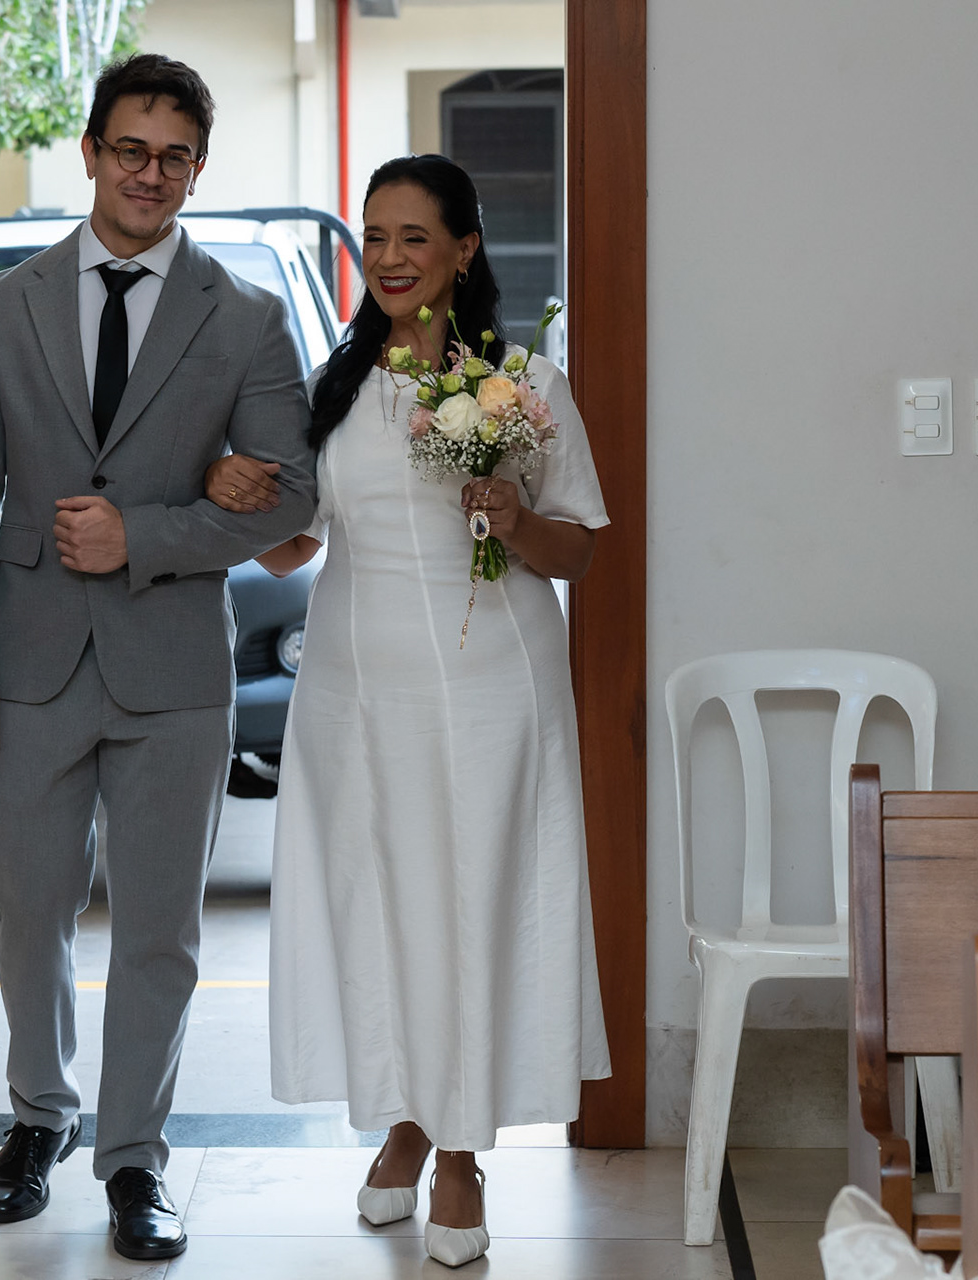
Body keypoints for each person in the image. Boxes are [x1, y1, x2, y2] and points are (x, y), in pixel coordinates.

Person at [0, 54, 317, 1262]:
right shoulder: (3, 307)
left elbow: (293, 499)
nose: (151, 173)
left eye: (175, 156)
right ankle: (38, 1115)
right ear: (92, 152)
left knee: (160, 928)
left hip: (173, 669)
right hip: (28, 659)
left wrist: (142, 534)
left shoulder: (244, 315)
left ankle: (136, 1157)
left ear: (199, 169)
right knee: (28, 905)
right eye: (131, 149)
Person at [205, 154, 612, 1268]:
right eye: (375, 236)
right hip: (353, 686)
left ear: (464, 249)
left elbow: (578, 548)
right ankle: (403, 1117)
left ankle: (463, 1148)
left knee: (473, 898)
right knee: (377, 896)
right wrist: (226, 488)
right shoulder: (331, 388)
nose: (388, 258)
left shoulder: (523, 382)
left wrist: (512, 514)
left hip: (492, 686)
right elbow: (290, 547)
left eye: (414, 236)